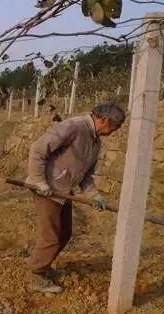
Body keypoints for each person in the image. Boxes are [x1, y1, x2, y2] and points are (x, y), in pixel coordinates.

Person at [26, 102, 125, 294]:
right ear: (103, 120)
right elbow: (38, 149)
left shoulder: (96, 142)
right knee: (51, 237)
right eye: (114, 127)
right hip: (47, 190)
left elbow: (86, 175)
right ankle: (36, 275)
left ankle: (44, 267)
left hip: (63, 191)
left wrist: (94, 195)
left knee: (65, 233)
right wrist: (40, 182)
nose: (114, 131)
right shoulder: (74, 126)